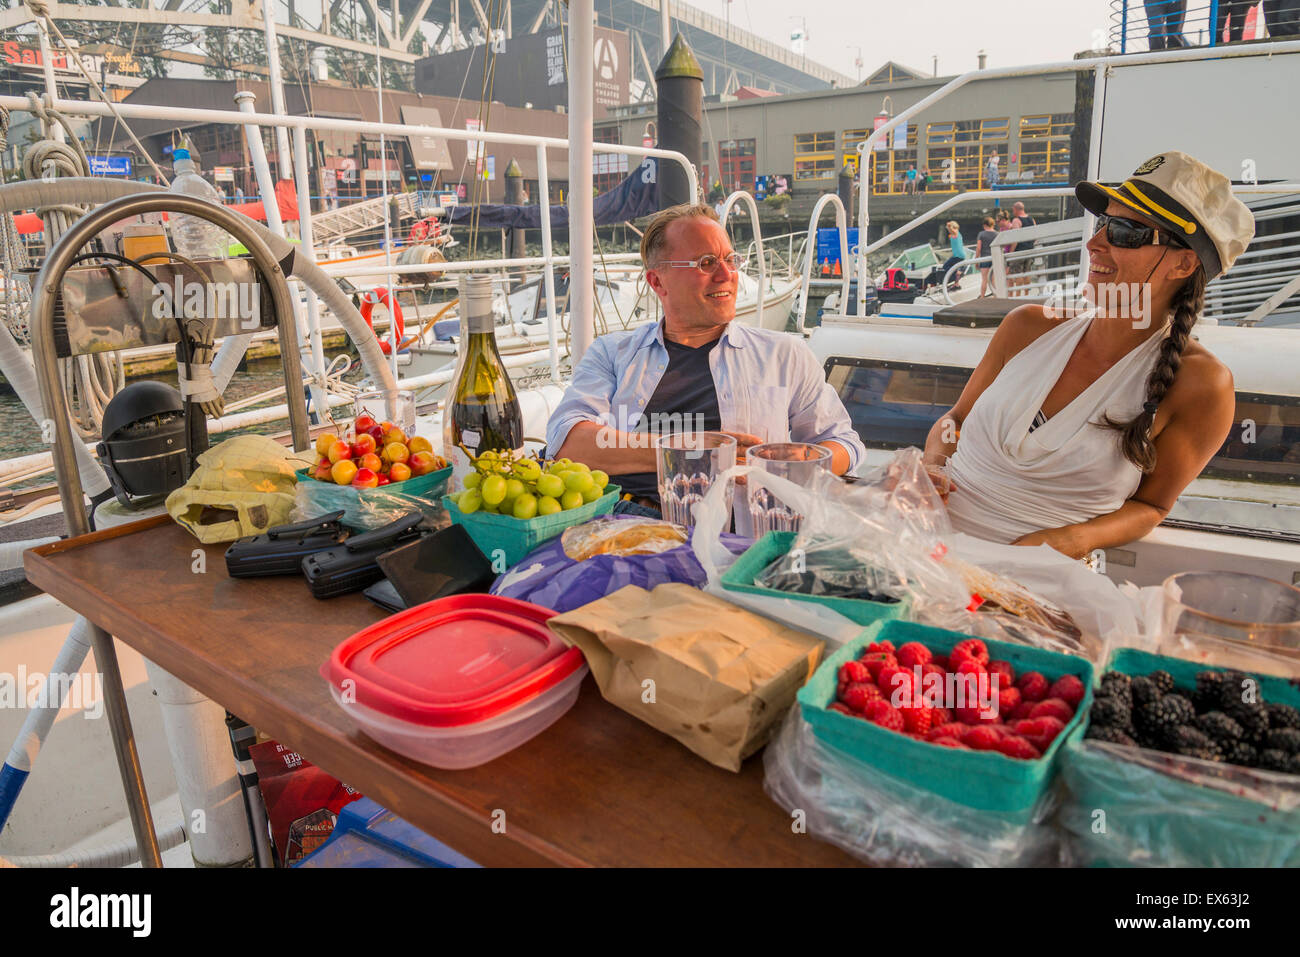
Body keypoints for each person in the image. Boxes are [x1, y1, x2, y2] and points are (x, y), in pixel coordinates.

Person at [922, 151, 1253, 557]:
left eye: (1125, 232)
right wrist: (931, 468)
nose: (1094, 243)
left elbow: (1152, 506)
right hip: (922, 544)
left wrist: (1067, 541)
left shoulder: (1201, 385)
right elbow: (955, 419)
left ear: (1183, 263)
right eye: (1102, 224)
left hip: (1037, 582)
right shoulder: (1027, 326)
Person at [546, 203, 866, 516]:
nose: (726, 274)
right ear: (658, 282)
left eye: (730, 259)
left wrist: (797, 463)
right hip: (627, 529)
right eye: (706, 262)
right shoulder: (612, 354)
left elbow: (842, 443)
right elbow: (567, 444)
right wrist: (689, 450)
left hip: (740, 533)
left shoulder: (784, 355)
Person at [1007, 200, 1037, 293]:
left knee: (1017, 274)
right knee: (1026, 273)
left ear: (1016, 209)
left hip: (1019, 251)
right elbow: (1036, 235)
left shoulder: (1016, 220)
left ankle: (1018, 296)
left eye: (1013, 210)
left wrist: (1011, 252)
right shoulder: (1032, 219)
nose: (1013, 212)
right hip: (1029, 250)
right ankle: (1026, 294)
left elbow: (1016, 239)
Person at [976, 216, 998, 297]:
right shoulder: (997, 234)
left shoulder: (981, 234)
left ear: (984, 225)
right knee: (993, 280)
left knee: (984, 280)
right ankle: (996, 296)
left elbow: (978, 248)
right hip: (994, 259)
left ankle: (982, 296)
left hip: (984, 259)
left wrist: (976, 260)